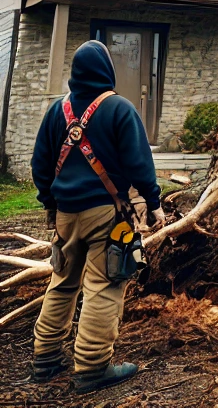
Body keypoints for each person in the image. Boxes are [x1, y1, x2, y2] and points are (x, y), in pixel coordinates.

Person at [30, 40, 166, 393]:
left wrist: (49, 201)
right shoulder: (118, 108)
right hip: (106, 215)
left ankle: (44, 357)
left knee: (62, 281)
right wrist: (154, 204)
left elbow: (40, 165)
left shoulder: (55, 112)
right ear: (106, 71)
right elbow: (139, 163)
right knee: (104, 285)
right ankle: (91, 367)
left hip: (65, 215)